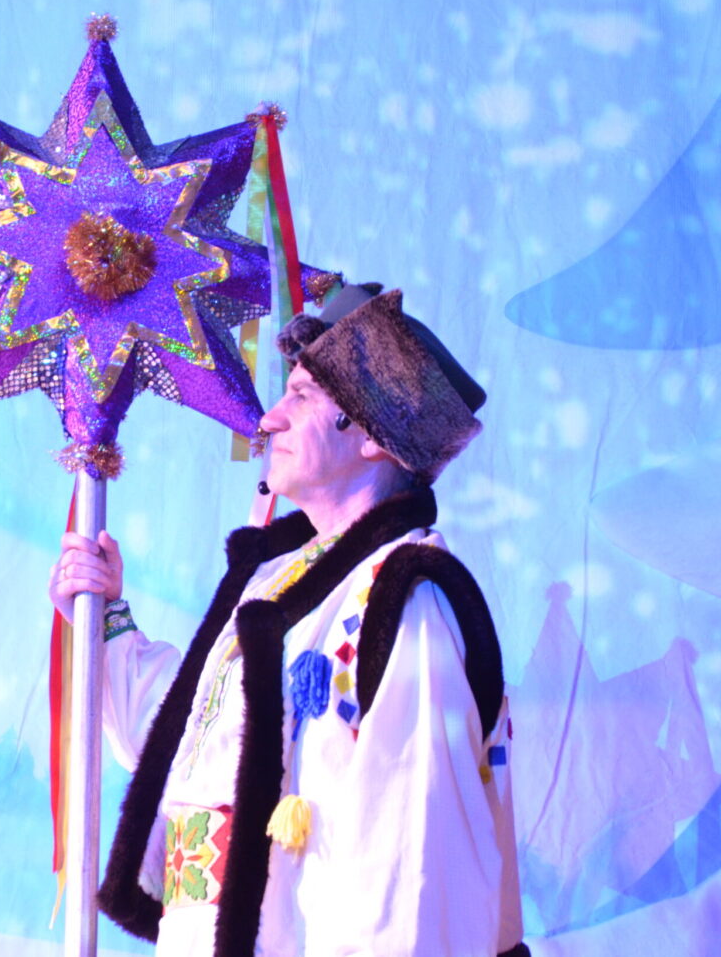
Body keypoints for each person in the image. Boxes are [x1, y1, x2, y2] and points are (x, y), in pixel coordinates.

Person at [50, 284, 527, 957]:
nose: (269, 419)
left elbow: (411, 864)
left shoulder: (403, 599)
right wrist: (105, 617)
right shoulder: (276, 582)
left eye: (300, 396)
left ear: (372, 435)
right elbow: (192, 746)